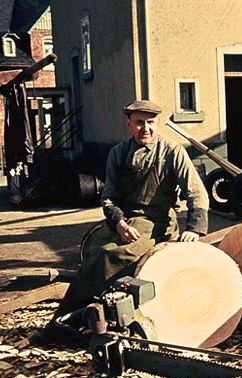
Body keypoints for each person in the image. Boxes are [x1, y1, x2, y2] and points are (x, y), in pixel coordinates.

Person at [32, 99, 209, 345]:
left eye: (150, 123)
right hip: (126, 221)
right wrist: (118, 222)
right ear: (128, 124)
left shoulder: (172, 152)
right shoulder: (118, 153)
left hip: (157, 223)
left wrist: (194, 229)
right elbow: (108, 197)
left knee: (110, 255)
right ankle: (87, 316)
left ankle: (61, 322)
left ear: (158, 124)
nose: (145, 129)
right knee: (94, 250)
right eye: (139, 123)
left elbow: (196, 192)